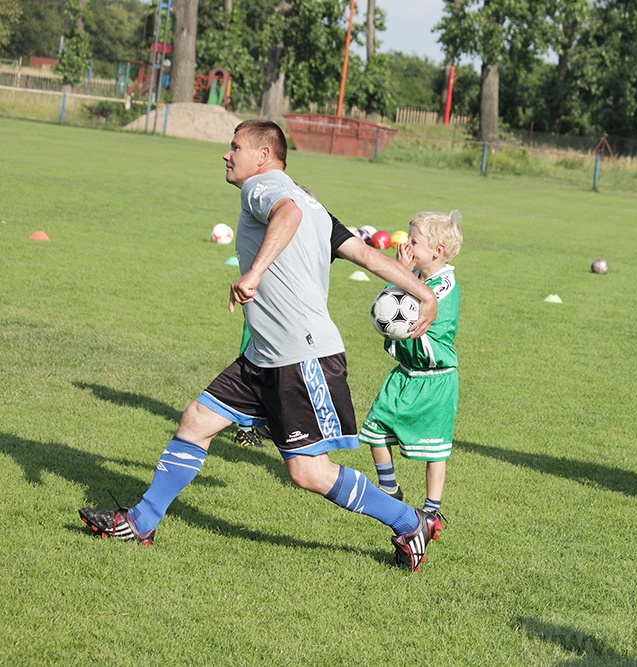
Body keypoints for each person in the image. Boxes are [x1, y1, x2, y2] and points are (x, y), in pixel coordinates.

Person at [79, 119, 443, 571]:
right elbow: (368, 255)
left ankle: (410, 523)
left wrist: (252, 273)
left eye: (235, 147)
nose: (227, 155)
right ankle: (141, 521)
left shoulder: (263, 187)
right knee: (196, 420)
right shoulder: (315, 205)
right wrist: (424, 293)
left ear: (264, 156)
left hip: (300, 355)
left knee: (307, 471)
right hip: (263, 355)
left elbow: (285, 213)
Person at [360, 211, 463, 522]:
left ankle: (433, 509)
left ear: (437, 250)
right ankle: (389, 489)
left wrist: (400, 276)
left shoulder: (445, 283)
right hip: (404, 375)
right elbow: (384, 313)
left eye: (414, 241)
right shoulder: (414, 277)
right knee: (374, 431)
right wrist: (401, 273)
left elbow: (415, 310)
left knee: (435, 451)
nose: (406, 245)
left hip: (435, 380)